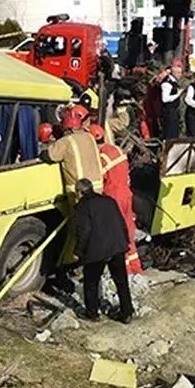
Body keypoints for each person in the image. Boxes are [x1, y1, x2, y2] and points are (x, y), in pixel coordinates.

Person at [72, 178, 135, 324]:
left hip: (97, 251)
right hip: (117, 246)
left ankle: (92, 313)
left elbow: (84, 231)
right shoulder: (109, 201)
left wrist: (78, 252)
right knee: (121, 281)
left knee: (91, 282)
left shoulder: (83, 207)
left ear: (80, 192)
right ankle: (127, 313)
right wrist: (125, 241)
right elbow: (121, 222)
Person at [89, 124, 142, 275]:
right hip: (126, 192)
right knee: (129, 229)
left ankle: (124, 269)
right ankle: (136, 267)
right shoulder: (116, 149)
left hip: (113, 197)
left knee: (117, 234)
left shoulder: (100, 157)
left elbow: (101, 180)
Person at [44, 104, 103, 198]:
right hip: (97, 187)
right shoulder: (89, 137)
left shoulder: (67, 141)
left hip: (79, 191)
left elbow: (49, 155)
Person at [159, 61, 184, 139]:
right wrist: (177, 95)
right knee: (169, 134)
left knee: (174, 134)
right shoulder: (167, 83)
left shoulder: (174, 83)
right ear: (174, 73)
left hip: (174, 111)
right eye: (179, 73)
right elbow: (165, 99)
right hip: (169, 112)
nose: (180, 75)